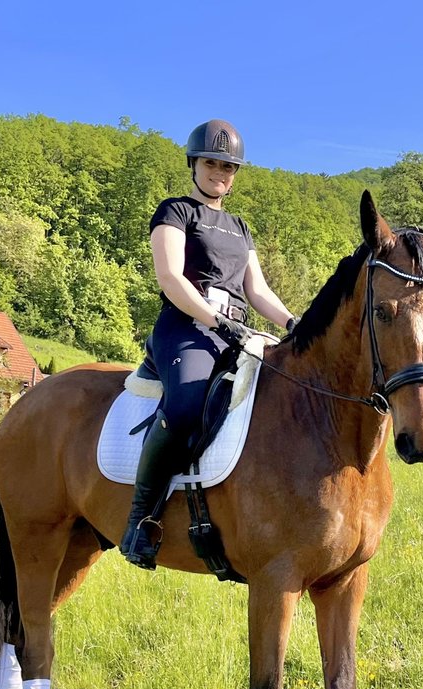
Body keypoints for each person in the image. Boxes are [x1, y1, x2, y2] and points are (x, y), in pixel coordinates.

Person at [120, 119, 299, 569]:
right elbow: (170, 277)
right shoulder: (175, 211)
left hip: (238, 333)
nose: (220, 172)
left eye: (228, 166)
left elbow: (257, 291)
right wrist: (218, 320)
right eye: (212, 163)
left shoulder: (239, 227)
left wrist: (295, 322)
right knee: (184, 409)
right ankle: (139, 521)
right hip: (187, 329)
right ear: (194, 164)